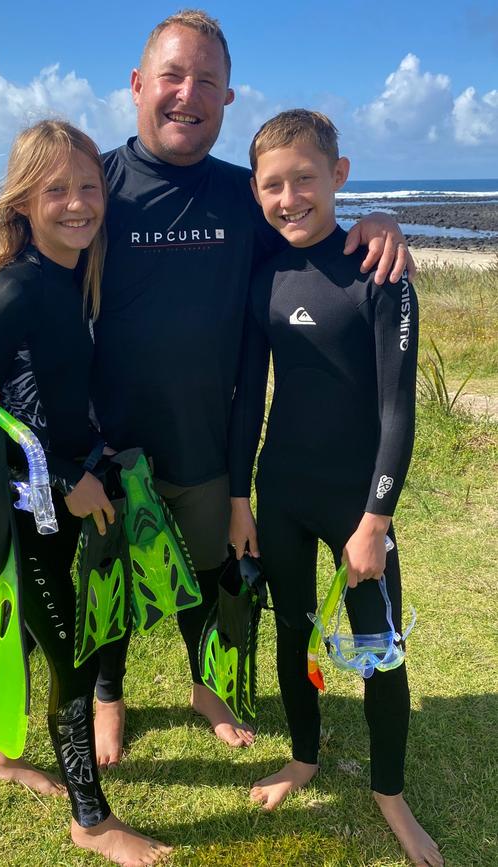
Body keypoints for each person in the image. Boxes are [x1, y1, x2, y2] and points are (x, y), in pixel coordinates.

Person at [0, 10, 415, 780]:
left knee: (214, 573)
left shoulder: (240, 196)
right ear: (137, 87)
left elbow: (311, 230)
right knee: (108, 579)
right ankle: (111, 694)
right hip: (108, 440)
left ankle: (205, 689)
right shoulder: (95, 186)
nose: (188, 95)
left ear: (226, 100)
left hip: (206, 436)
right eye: (173, 77)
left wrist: (378, 224)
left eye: (207, 84)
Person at [228, 109, 442, 867]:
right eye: (274, 186)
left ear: (339, 176)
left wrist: (375, 520)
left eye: (306, 179)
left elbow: (396, 408)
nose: (291, 197)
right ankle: (306, 754)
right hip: (280, 490)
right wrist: (239, 498)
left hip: (357, 502)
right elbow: (249, 397)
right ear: (257, 192)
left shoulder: (380, 275)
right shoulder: (264, 275)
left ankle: (390, 792)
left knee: (380, 651)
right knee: (292, 631)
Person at [0, 118, 171, 867]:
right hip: (28, 503)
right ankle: (90, 818)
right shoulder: (16, 286)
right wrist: (61, 479)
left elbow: (51, 387)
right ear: (24, 199)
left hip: (72, 479)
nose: (80, 203)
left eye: (90, 187)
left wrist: (95, 455)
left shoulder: (74, 265)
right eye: (58, 190)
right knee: (70, 658)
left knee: (31, 628)